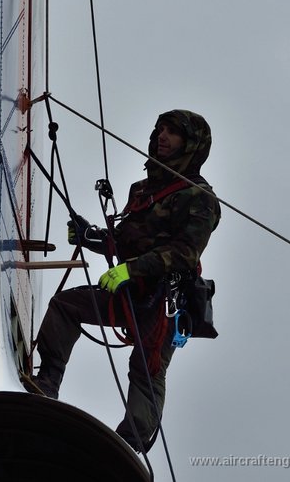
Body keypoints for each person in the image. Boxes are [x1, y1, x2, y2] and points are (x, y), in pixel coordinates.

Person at [30, 109, 221, 452]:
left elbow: (185, 253)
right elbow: (125, 242)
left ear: (191, 144)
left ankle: (130, 444)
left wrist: (131, 270)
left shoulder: (199, 198)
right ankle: (46, 383)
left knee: (146, 367)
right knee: (65, 307)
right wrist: (90, 236)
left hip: (163, 301)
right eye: (160, 130)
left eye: (173, 133)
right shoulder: (142, 190)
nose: (162, 136)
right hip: (128, 292)